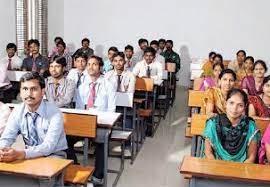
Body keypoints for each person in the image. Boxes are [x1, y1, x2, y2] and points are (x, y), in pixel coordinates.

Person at [67, 55, 116, 185]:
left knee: (101, 142)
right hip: (84, 122)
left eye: (94, 64)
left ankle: (98, 176)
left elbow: (111, 110)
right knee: (64, 139)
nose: (90, 67)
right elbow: (78, 108)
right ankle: (75, 167)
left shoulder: (108, 85)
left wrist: (101, 122)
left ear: (100, 67)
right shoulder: (82, 86)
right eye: (88, 64)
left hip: (101, 124)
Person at [0, 72, 67, 162]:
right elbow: (7, 137)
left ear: (42, 92)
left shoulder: (55, 113)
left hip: (54, 155)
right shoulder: (17, 111)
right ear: (20, 92)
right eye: (25, 89)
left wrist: (22, 154)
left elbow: (49, 146)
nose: (29, 94)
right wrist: (2, 150)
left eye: (33, 89)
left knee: (43, 172)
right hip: (28, 155)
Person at [202, 88, 260, 163]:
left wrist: (238, 172)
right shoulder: (213, 122)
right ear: (225, 103)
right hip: (214, 165)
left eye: (240, 105)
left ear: (245, 107)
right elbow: (208, 153)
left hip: (242, 169)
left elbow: (251, 158)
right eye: (231, 103)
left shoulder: (250, 125)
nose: (234, 108)